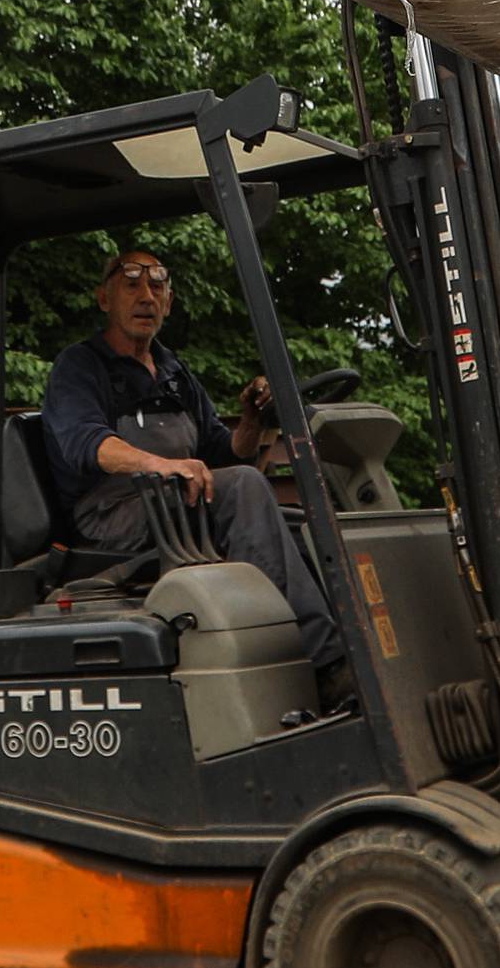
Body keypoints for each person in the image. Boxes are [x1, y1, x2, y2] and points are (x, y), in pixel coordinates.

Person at [41, 245, 353, 704]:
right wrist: (161, 464)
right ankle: (323, 664)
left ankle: (342, 642)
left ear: (169, 302)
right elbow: (90, 445)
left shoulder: (173, 371)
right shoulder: (80, 367)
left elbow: (223, 453)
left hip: (173, 506)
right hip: (112, 514)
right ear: (105, 299)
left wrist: (250, 421)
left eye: (158, 285)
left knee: (294, 522)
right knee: (244, 489)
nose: (146, 295)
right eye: (131, 284)